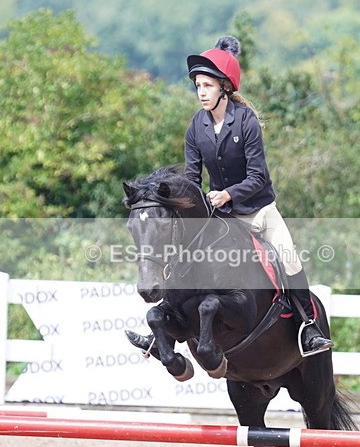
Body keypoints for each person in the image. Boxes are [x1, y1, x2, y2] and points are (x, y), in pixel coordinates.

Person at [128, 35, 332, 357]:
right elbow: (192, 178)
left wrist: (226, 194)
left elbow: (258, 177)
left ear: (225, 87)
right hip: (219, 215)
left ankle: (309, 328)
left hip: (257, 210)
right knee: (181, 258)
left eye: (207, 86)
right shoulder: (197, 126)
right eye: (198, 86)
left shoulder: (247, 121)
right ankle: (164, 330)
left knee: (288, 257)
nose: (201, 93)